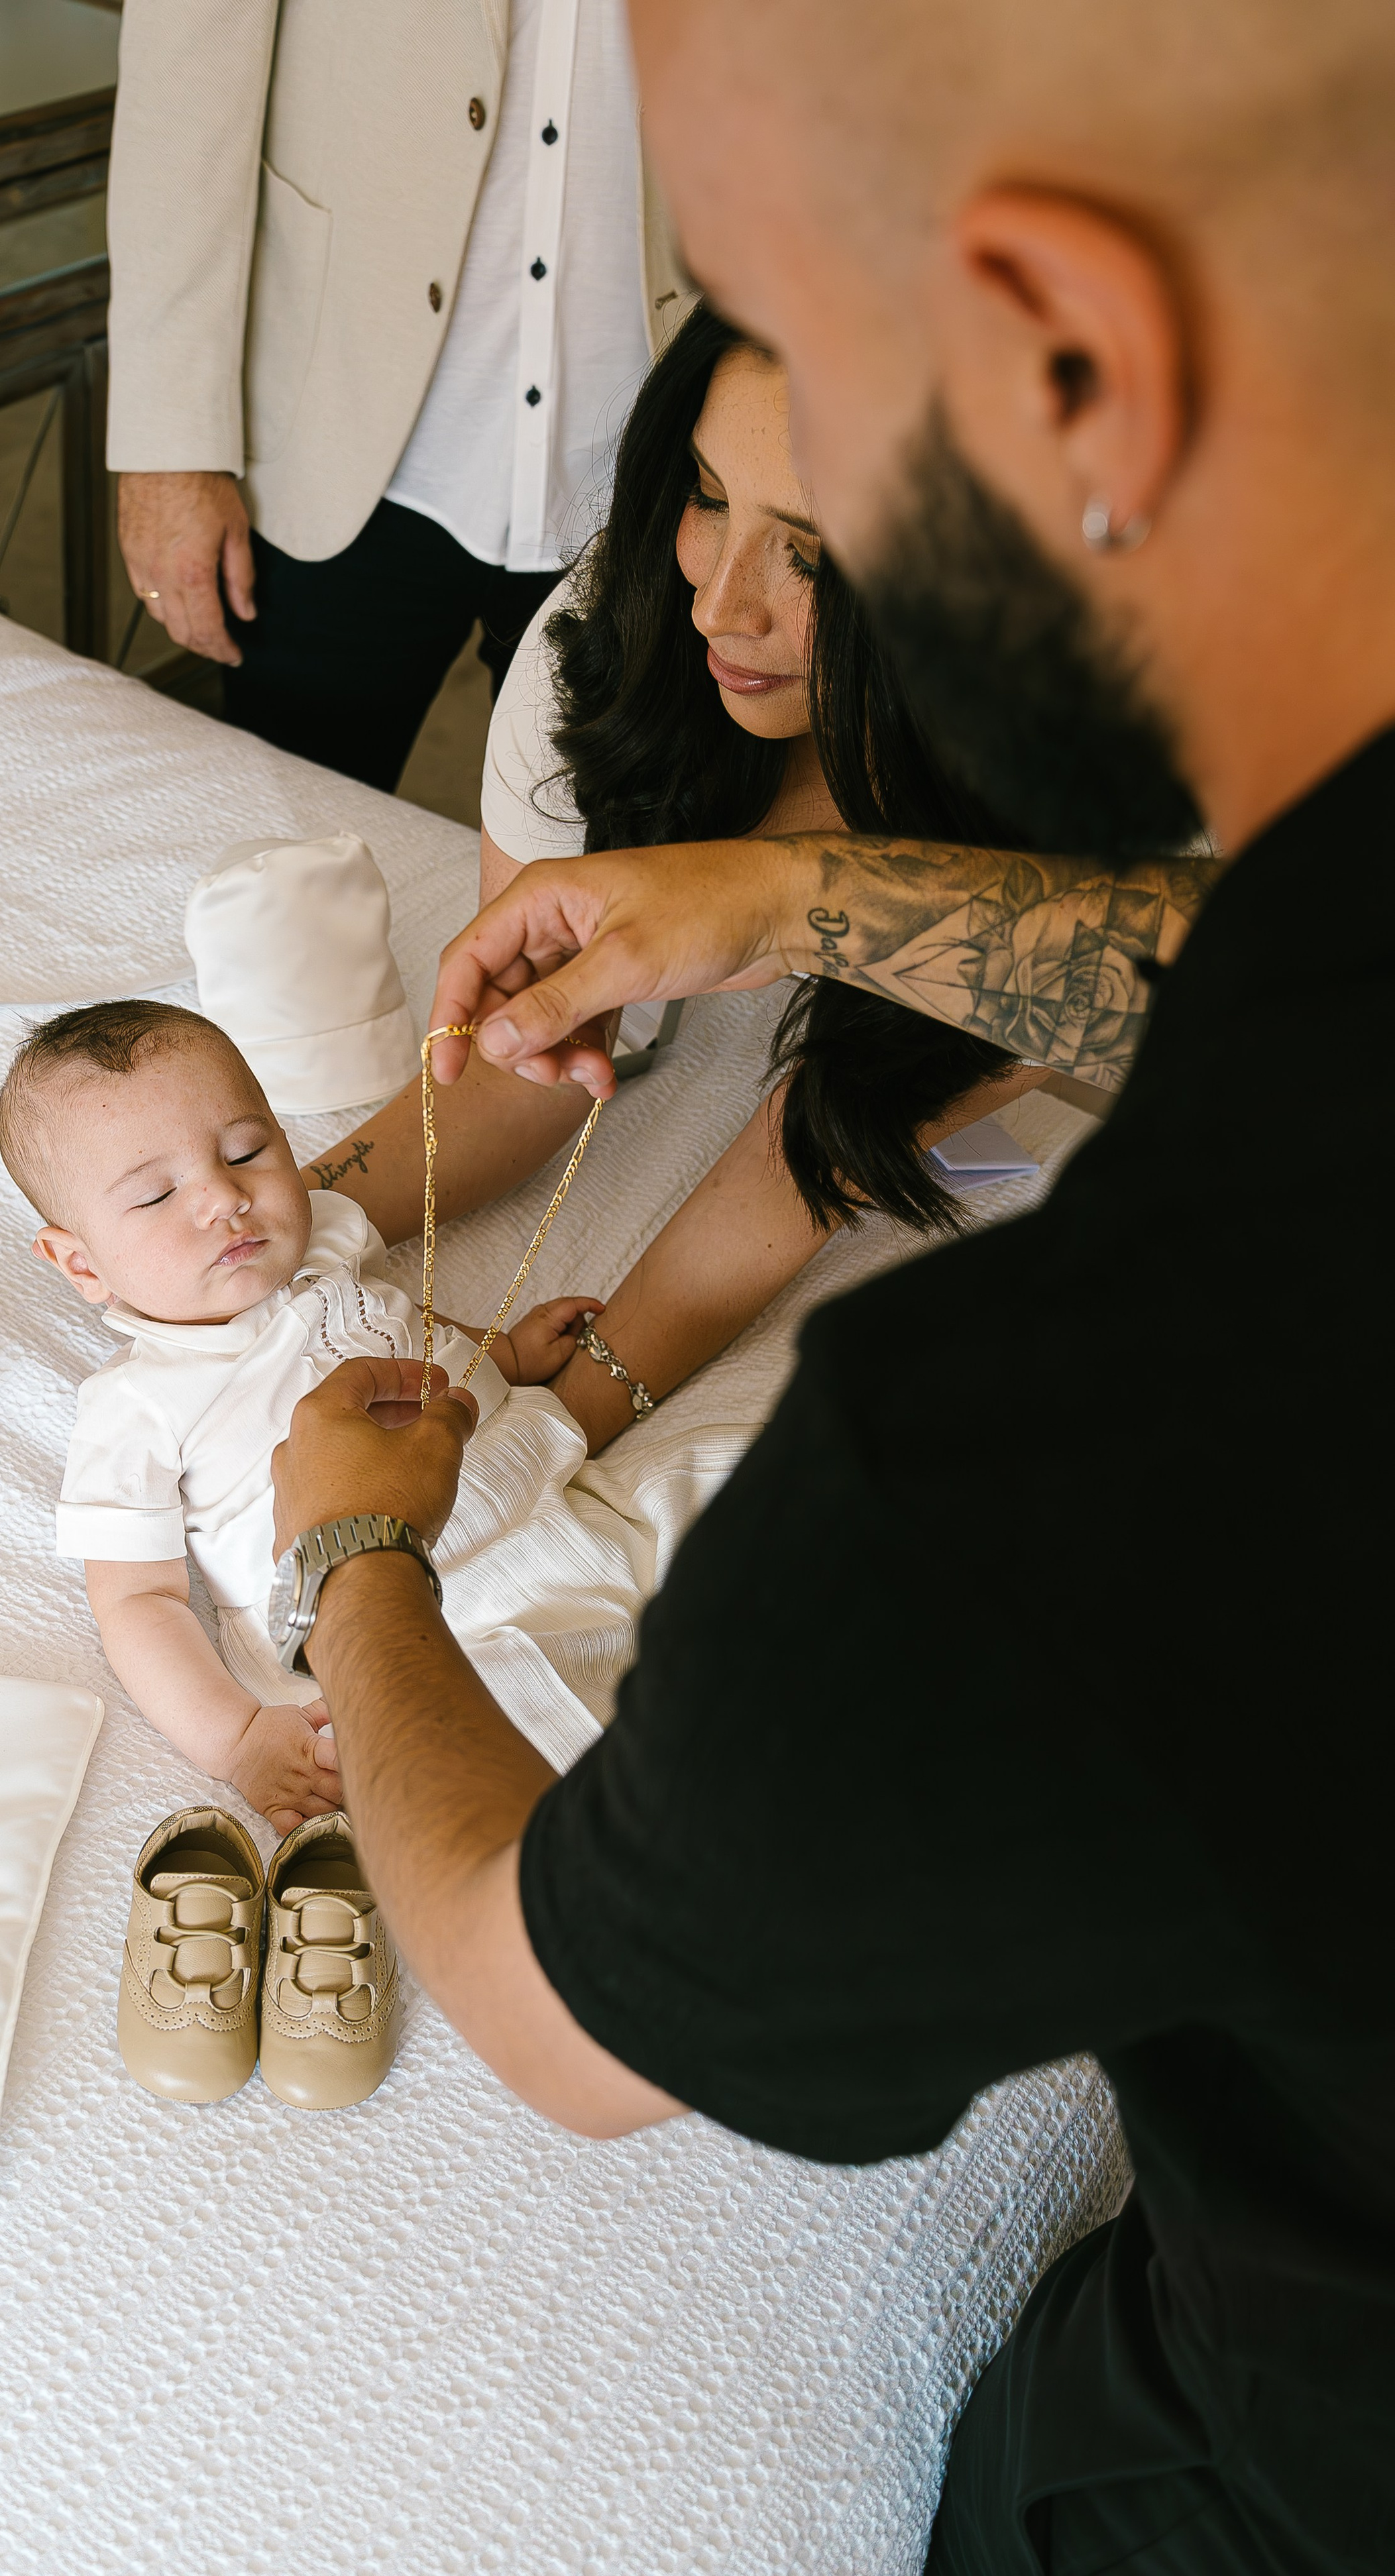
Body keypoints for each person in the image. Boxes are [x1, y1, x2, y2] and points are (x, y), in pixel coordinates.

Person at [260, 4, 1395, 2572]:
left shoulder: (1061, 1470)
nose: (730, 569)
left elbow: (552, 2011)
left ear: (1057, 357)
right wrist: (767, 901)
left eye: (793, 317)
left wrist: (360, 1557)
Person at [292, 301, 1047, 1454]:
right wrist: (276, 1221)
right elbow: (533, 1053)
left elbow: (822, 1140)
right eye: (707, 493)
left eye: (814, 549)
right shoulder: (626, 630)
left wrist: (559, 1429)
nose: (718, 603)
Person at [0, 1000, 604, 1828]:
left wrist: (504, 1355)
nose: (224, 1197)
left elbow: (399, 1321)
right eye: (155, 1196)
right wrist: (239, 1736)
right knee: (526, 1770)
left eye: (248, 1149)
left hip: (536, 1506)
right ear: (79, 1262)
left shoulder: (332, 1235)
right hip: (392, 1624)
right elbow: (139, 1603)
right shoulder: (133, 1406)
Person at [105, 0, 685, 789]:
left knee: (608, 879)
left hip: (649, 449)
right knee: (293, 856)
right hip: (338, 421)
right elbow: (180, 86)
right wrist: (169, 450)